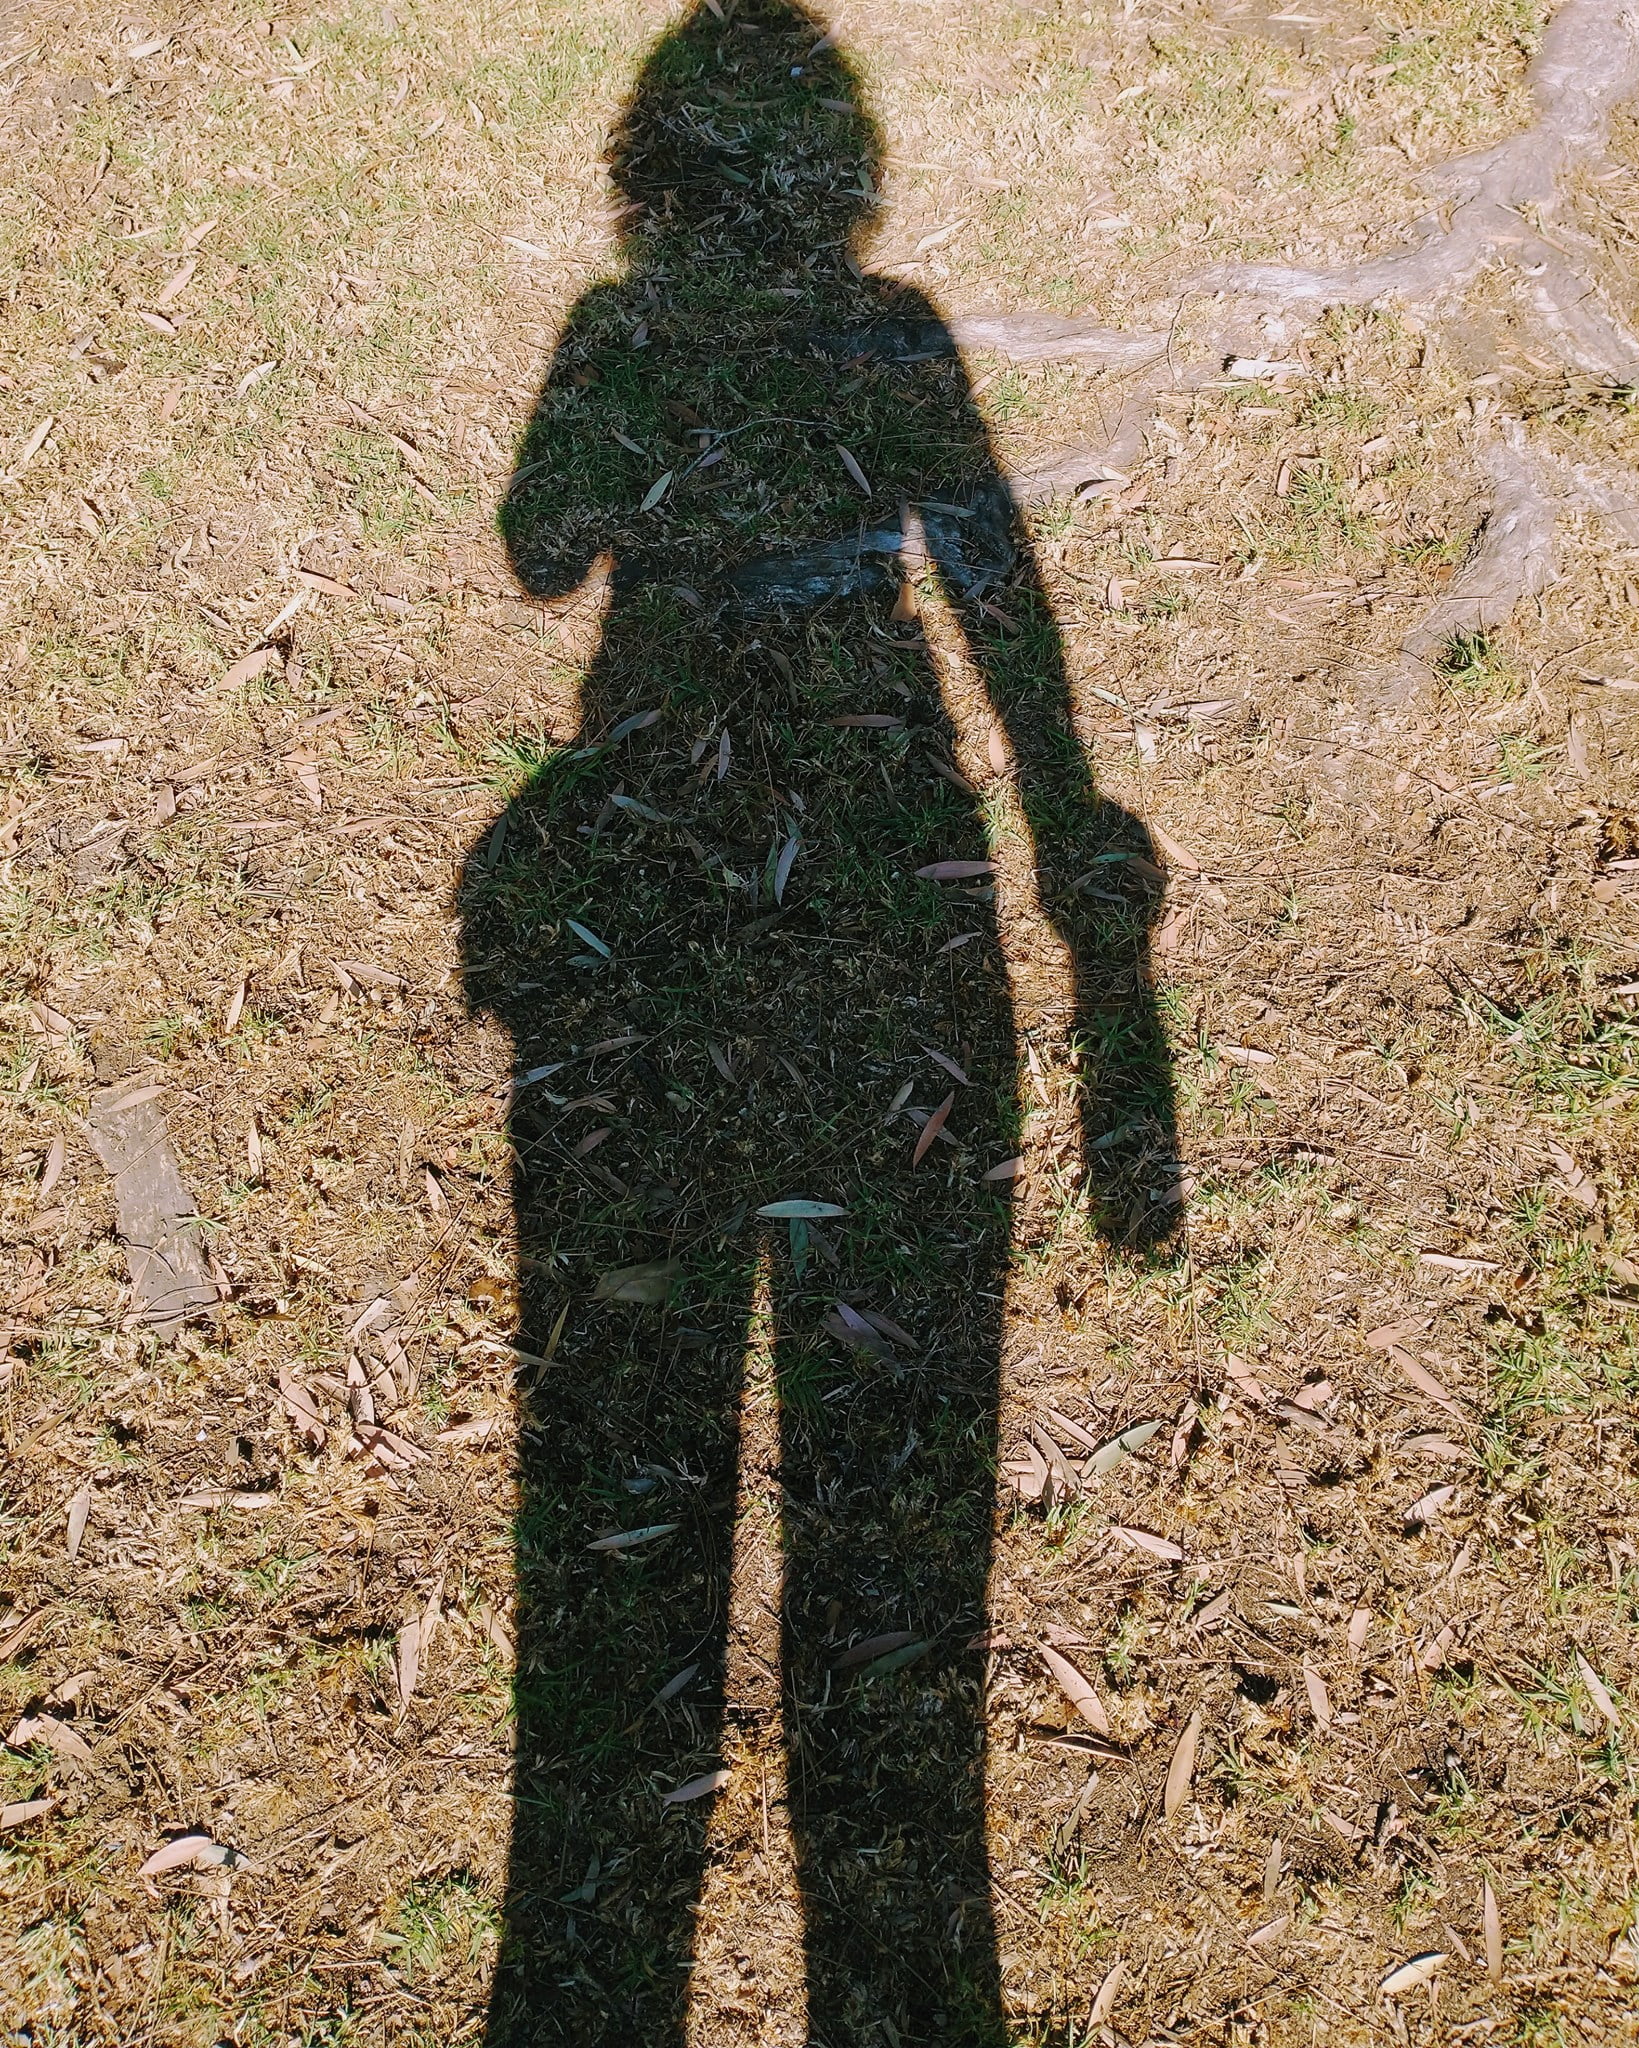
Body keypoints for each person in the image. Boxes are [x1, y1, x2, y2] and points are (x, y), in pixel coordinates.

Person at [461, 3, 1175, 2038]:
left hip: (672, 829)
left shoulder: (617, 331)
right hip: (885, 817)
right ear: (840, 186)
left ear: (646, 181)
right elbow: (994, 578)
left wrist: (646, 434)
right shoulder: (898, 330)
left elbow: (535, 553)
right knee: (893, 1554)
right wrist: (1063, 831)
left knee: (631, 1463)